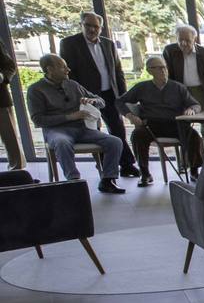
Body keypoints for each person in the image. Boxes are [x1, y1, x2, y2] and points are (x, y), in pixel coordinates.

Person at [25, 54, 125, 193]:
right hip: (56, 130)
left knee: (115, 142)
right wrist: (69, 117)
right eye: (63, 67)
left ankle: (108, 180)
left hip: (83, 129)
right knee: (62, 143)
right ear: (50, 69)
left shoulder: (73, 84)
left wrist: (92, 101)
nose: (68, 70)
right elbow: (38, 119)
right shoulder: (35, 90)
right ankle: (74, 181)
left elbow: (101, 101)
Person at [59, 11, 138, 178]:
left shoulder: (108, 44)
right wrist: (75, 96)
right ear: (81, 25)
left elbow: (117, 71)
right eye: (88, 25)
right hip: (86, 97)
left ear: (101, 28)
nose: (92, 29)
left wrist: (122, 96)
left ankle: (126, 165)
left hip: (109, 93)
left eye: (96, 26)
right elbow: (68, 73)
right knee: (95, 132)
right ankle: (105, 169)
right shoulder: (69, 44)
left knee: (117, 129)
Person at [117, 55, 204, 186]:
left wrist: (192, 109)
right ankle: (145, 173)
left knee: (194, 136)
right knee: (137, 135)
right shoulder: (142, 87)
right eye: (158, 68)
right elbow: (119, 102)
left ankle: (194, 171)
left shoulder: (178, 87)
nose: (163, 71)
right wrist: (130, 115)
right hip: (151, 125)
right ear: (149, 71)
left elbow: (196, 104)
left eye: (164, 67)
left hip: (175, 124)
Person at [163, 24, 204, 111]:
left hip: (201, 90)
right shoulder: (169, 51)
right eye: (180, 40)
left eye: (187, 40)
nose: (183, 43)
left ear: (194, 39)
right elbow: (164, 73)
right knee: (182, 117)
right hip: (180, 90)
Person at [0, 39, 22, 170]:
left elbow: (10, 66)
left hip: (0, 100)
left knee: (10, 139)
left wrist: (2, 76)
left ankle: (17, 173)